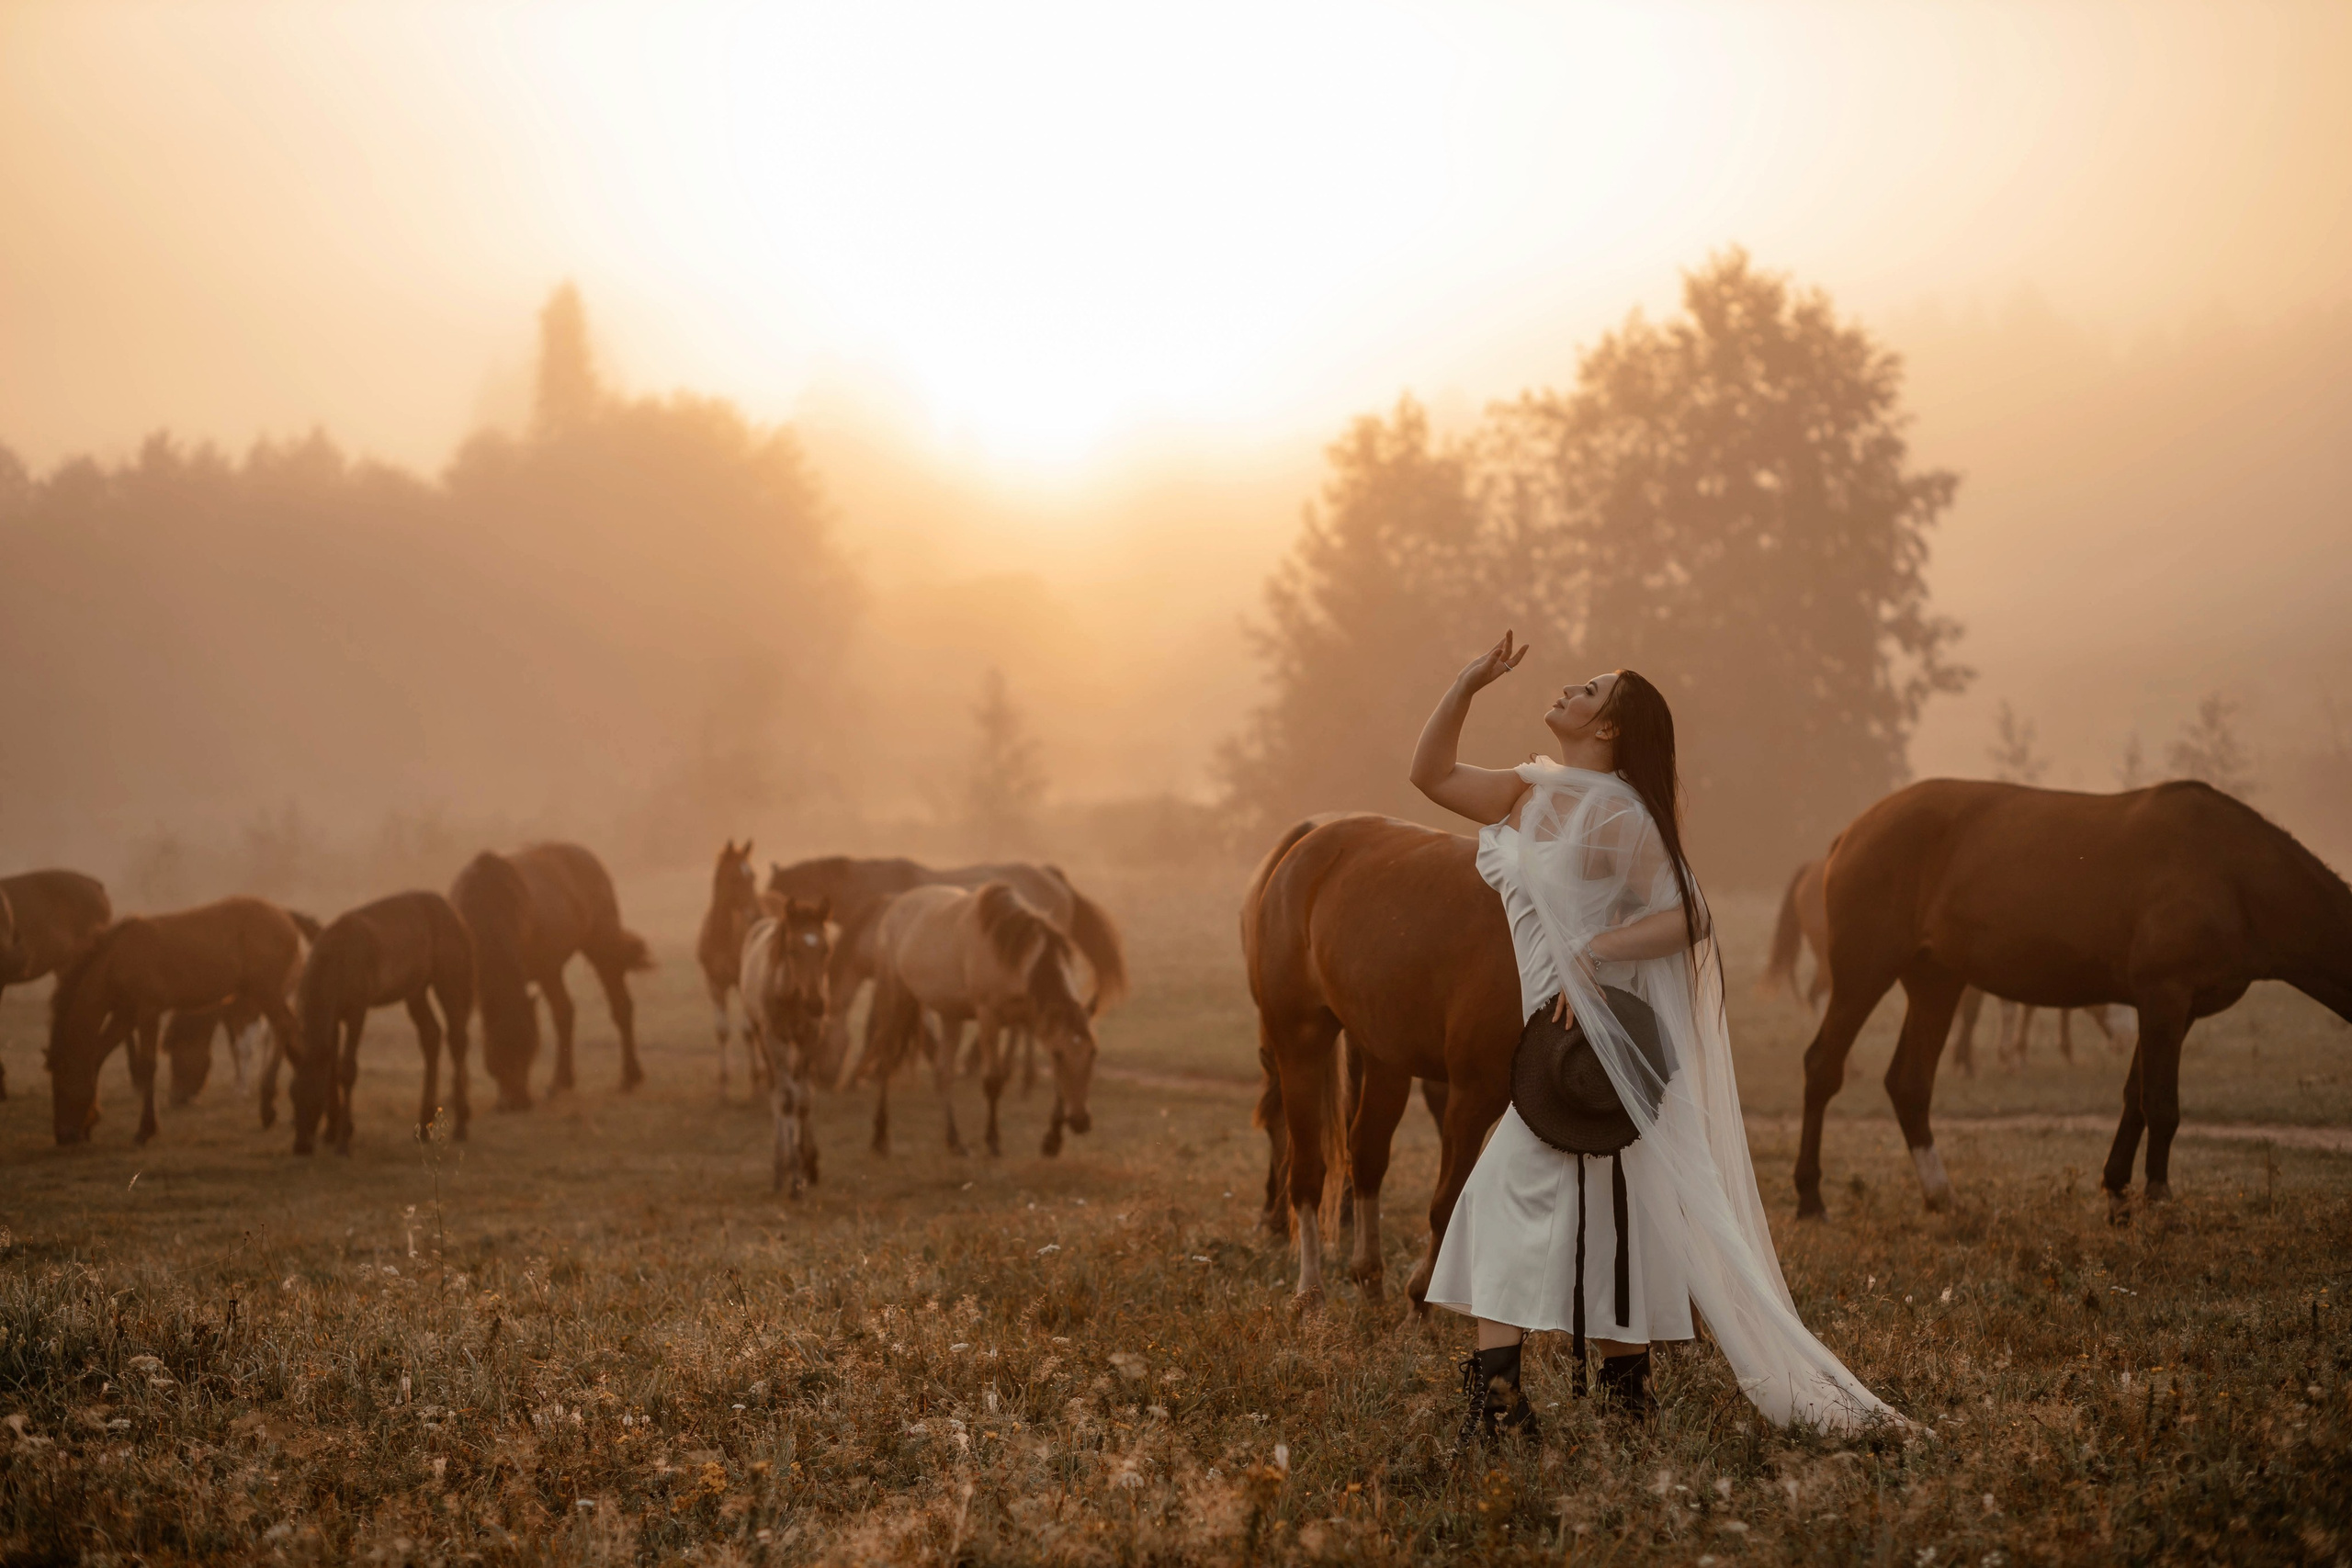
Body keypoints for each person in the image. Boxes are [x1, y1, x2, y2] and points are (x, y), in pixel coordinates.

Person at [1408, 630, 1896, 1441]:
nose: (1569, 686)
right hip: (1555, 1037)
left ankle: (1505, 1402)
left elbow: (1690, 915)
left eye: (1590, 689)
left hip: (1594, 1043)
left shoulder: (1621, 815)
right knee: (1614, 1206)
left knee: (1514, 1196)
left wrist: (1593, 955)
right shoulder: (1532, 790)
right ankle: (1617, 1389)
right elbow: (1428, 775)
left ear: (1607, 730)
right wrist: (1466, 684)